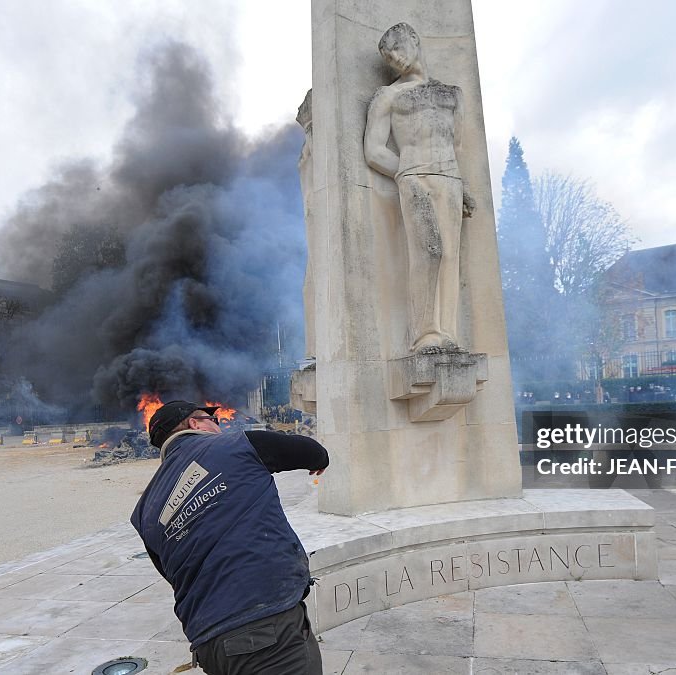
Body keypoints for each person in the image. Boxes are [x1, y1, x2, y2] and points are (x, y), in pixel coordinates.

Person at [131, 400, 329, 674]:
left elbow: (172, 572)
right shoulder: (236, 445)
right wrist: (320, 462)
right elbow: (312, 452)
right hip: (267, 626)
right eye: (214, 419)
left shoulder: (143, 512)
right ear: (195, 423)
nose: (220, 424)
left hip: (208, 643)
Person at [364, 22, 475, 354]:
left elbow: (456, 144)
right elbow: (373, 150)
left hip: (449, 179)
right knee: (430, 251)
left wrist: (462, 186)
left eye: (397, 48)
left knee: (451, 257)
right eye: (388, 57)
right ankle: (425, 334)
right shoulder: (388, 95)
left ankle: (448, 334)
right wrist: (408, 171)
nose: (395, 58)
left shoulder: (452, 94)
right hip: (413, 176)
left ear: (414, 39)